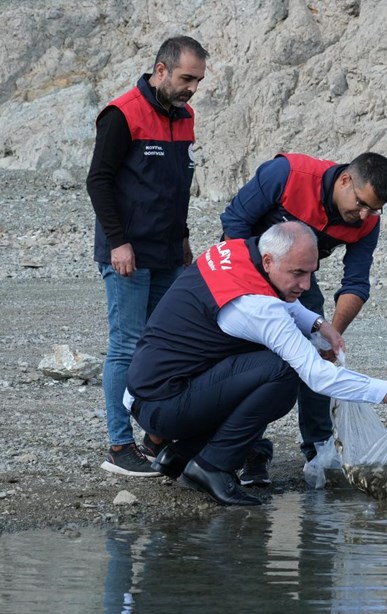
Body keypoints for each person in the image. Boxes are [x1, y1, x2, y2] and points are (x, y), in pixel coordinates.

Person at [126, 221, 387, 506]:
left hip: (151, 391)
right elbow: (318, 377)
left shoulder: (238, 250)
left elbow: (280, 297)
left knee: (271, 363)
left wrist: (317, 324)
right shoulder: (258, 309)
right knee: (283, 371)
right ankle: (212, 466)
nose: (305, 284)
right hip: (164, 404)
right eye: (297, 273)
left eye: (311, 272)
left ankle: (181, 454)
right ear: (269, 261)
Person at [219, 151, 387, 485]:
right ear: (345, 180)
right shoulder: (288, 174)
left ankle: (319, 447)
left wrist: (332, 335)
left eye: (373, 209)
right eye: (360, 205)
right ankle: (249, 451)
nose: (363, 216)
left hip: (297, 274)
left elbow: (355, 282)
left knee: (317, 351)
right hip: (247, 264)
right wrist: (256, 294)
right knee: (249, 359)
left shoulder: (367, 220)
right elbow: (234, 222)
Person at [87, 36, 209, 477]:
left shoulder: (186, 116)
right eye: (185, 78)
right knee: (126, 346)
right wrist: (118, 242)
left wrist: (183, 240)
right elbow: (98, 181)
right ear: (160, 70)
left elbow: (176, 187)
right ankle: (119, 447)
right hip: (127, 255)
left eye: (197, 79)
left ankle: (155, 436)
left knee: (166, 345)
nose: (192, 87)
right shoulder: (122, 114)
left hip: (167, 252)